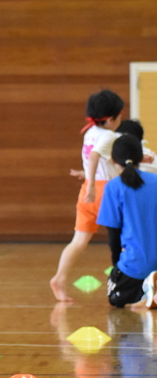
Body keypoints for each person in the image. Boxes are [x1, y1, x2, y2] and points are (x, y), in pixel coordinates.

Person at [50, 89, 124, 303]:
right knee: (129, 238)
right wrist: (92, 184)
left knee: (79, 240)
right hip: (105, 191)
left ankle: (59, 279)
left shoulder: (91, 131)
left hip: (87, 193)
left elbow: (95, 160)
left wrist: (87, 180)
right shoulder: (110, 135)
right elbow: (94, 157)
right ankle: (133, 285)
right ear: (111, 119)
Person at [97, 134, 157, 309]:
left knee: (115, 298)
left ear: (113, 159)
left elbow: (113, 235)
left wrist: (117, 267)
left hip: (136, 265)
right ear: (141, 158)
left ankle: (145, 294)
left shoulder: (113, 187)